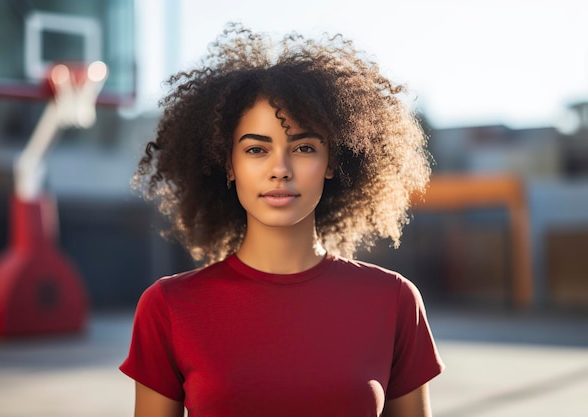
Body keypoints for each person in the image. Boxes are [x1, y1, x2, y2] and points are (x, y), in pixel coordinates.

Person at [120, 23, 444, 417]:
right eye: (257, 149)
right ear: (229, 165)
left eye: (304, 147)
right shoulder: (169, 307)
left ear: (331, 163)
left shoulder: (394, 300)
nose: (281, 169)